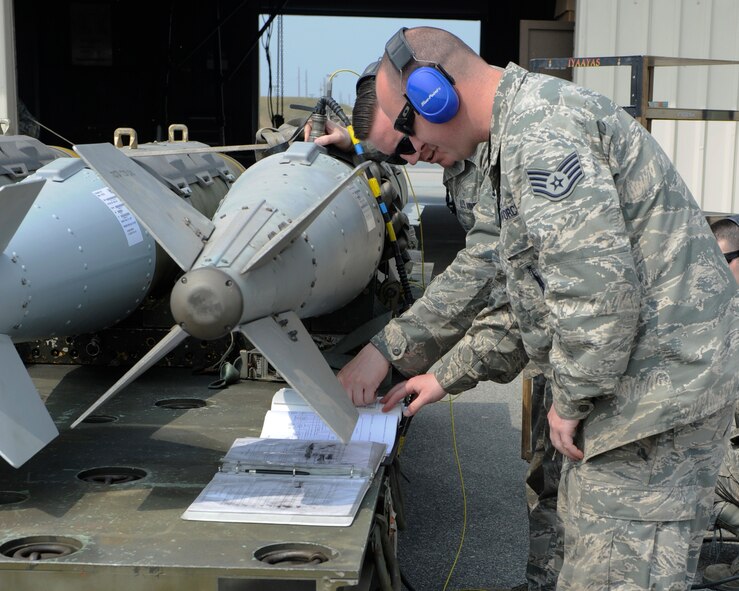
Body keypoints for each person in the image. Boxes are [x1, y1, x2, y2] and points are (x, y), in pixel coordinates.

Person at [341, 26, 738, 590]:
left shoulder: (542, 136)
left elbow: (594, 296)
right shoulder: (517, 137)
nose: (416, 156)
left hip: (652, 405)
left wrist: (571, 397)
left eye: (407, 136)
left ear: (434, 93)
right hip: (633, 398)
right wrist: (441, 375)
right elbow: (526, 299)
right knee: (582, 562)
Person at [322, 64, 561, 590]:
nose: (414, 156)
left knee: (582, 506)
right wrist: (357, 146)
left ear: (433, 108)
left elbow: (490, 271)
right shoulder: (455, 148)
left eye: (410, 143)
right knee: (549, 483)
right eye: (396, 152)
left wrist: (387, 348)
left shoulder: (521, 149)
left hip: (599, 364)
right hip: (559, 347)